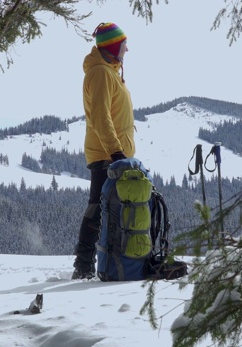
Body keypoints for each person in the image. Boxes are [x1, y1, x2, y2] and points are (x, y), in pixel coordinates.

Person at [72, 22, 135, 280]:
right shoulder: (100, 73)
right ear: (112, 47)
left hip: (115, 155)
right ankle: (84, 266)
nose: (127, 49)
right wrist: (116, 152)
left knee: (110, 211)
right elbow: (100, 117)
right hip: (106, 156)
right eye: (123, 45)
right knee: (97, 209)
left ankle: (108, 263)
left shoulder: (109, 72)